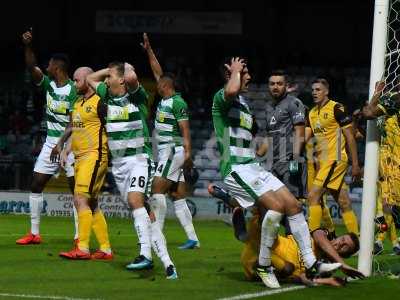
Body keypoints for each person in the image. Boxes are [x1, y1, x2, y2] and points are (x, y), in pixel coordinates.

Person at [212, 57, 341, 289]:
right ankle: (263, 264)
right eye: (245, 72)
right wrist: (234, 73)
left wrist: (286, 103)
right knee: (275, 208)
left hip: (252, 165)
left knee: (292, 205)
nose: (249, 76)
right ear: (231, 74)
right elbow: (230, 90)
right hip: (236, 168)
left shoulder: (244, 104)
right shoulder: (221, 98)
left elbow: (260, 140)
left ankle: (312, 264)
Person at [86, 62, 178, 279]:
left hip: (139, 160)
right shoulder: (107, 98)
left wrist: (125, 67)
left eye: (111, 77)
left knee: (135, 200)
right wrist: (109, 70)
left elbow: (132, 79)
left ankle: (145, 255)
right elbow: (90, 79)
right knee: (146, 214)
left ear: (121, 80)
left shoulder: (137, 98)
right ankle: (168, 263)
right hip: (118, 166)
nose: (106, 80)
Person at [16, 29, 78, 245]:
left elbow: (73, 123)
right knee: (36, 184)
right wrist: (27, 46)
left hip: (70, 144)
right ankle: (34, 233)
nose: (46, 67)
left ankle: (80, 237)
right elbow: (31, 67)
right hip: (51, 142)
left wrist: (61, 145)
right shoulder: (49, 85)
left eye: (50, 65)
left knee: (76, 191)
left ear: (58, 68)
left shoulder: (73, 90)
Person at [141, 33, 200, 249]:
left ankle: (156, 235)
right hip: (167, 150)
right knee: (177, 194)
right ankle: (193, 238)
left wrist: (188, 154)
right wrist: (149, 50)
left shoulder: (177, 102)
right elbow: (157, 70)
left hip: (172, 150)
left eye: (159, 84)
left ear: (165, 85)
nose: (156, 86)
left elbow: (185, 129)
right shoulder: (167, 98)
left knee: (156, 190)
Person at [50, 67, 113, 259]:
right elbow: (75, 127)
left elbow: (114, 124)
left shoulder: (100, 103)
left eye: (77, 80)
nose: (74, 84)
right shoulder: (77, 103)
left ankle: (83, 248)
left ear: (87, 80)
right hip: (79, 158)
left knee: (80, 199)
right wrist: (65, 148)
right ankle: (105, 249)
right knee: (92, 203)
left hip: (94, 156)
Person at [240, 208, 364, 285]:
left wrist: (329, 281)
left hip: (262, 263)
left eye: (345, 246)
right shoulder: (324, 235)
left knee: (288, 269)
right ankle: (244, 233)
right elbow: (318, 234)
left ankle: (244, 236)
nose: (340, 243)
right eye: (342, 239)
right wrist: (341, 263)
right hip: (273, 242)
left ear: (346, 255)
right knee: (273, 208)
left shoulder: (327, 267)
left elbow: (305, 278)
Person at [307, 78, 361, 235]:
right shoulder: (311, 113)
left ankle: (315, 239)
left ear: (326, 91)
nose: (314, 93)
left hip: (335, 159)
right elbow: (306, 138)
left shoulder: (336, 108)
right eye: (313, 90)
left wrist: (355, 164)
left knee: (313, 196)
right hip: (324, 163)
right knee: (344, 202)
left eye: (318, 89)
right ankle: (357, 241)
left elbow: (350, 137)